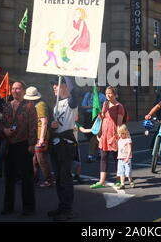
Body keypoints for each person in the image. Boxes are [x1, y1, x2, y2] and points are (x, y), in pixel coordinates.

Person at [0, 81, 38, 216]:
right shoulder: (7, 106)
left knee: (27, 178)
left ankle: (29, 208)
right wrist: (4, 130)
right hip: (9, 145)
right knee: (9, 178)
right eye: (13, 88)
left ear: (23, 91)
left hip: (24, 144)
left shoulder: (29, 106)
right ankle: (8, 207)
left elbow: (33, 126)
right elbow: (1, 124)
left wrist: (32, 144)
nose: (15, 91)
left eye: (18, 88)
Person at [48, 76, 79, 222]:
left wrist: (66, 73)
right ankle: (61, 206)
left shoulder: (71, 103)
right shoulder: (56, 104)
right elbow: (54, 125)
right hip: (55, 144)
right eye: (53, 85)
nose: (54, 87)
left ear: (65, 86)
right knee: (59, 179)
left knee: (65, 179)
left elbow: (75, 91)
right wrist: (50, 126)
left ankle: (68, 210)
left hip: (65, 145)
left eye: (57, 84)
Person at [90, 86, 125, 188]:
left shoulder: (119, 106)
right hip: (104, 135)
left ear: (115, 94)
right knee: (103, 157)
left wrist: (116, 136)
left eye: (110, 93)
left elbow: (119, 124)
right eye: (106, 93)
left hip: (114, 135)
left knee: (117, 158)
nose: (108, 95)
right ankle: (102, 181)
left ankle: (119, 179)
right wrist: (99, 133)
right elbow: (102, 118)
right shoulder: (105, 104)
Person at [23, 86, 53, 188]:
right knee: (35, 159)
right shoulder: (35, 104)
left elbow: (44, 122)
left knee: (41, 159)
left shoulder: (40, 105)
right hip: (36, 135)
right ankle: (34, 178)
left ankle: (49, 179)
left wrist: (41, 139)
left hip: (41, 136)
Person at [80, 86, 106, 162]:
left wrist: (98, 109)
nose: (97, 88)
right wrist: (91, 106)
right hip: (88, 117)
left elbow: (105, 107)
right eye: (96, 87)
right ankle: (100, 153)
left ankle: (90, 156)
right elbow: (83, 106)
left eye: (99, 87)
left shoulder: (102, 96)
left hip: (97, 117)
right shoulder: (88, 95)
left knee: (93, 136)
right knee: (90, 137)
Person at [116, 124, 135, 190]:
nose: (120, 135)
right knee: (121, 172)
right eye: (119, 133)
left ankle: (131, 181)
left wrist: (127, 157)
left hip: (127, 158)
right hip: (120, 159)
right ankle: (122, 184)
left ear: (125, 133)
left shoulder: (128, 140)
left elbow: (129, 149)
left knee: (128, 172)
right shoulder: (119, 140)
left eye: (122, 133)